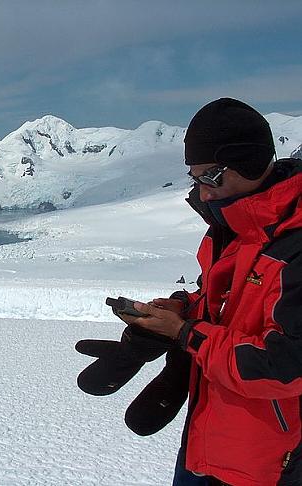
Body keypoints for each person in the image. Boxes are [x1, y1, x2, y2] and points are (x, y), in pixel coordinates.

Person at [77, 98, 302, 485]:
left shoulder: (293, 244)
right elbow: (227, 303)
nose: (204, 192)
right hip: (211, 439)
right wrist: (183, 308)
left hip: (268, 463)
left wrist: (184, 333)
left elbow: (284, 367)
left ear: (247, 162)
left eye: (212, 176)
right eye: (195, 178)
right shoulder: (233, 227)